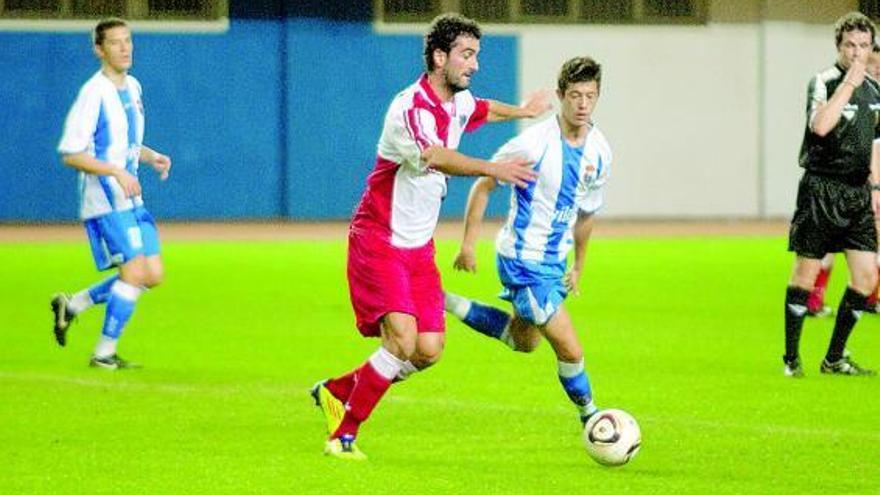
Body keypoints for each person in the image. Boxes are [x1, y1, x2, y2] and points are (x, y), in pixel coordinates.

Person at [309, 13, 550, 460]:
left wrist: (522, 111)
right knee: (400, 340)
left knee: (428, 349)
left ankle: (338, 389)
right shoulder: (411, 108)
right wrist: (493, 168)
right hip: (380, 238)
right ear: (440, 57)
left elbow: (483, 108)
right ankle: (343, 436)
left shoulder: (457, 100)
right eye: (466, 55)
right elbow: (436, 155)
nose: (474, 65)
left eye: (476, 55)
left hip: (418, 247)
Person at [444, 56, 610, 427]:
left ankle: (444, 301)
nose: (582, 104)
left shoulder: (600, 151)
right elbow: (484, 182)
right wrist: (468, 244)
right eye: (574, 95)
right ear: (560, 95)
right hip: (523, 260)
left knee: (524, 342)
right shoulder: (533, 145)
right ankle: (594, 420)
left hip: (554, 263)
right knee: (570, 348)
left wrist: (579, 266)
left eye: (590, 96)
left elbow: (586, 215)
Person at [52, 17, 171, 370]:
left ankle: (72, 305)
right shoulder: (93, 93)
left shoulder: (133, 87)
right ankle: (103, 353)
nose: (124, 48)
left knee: (152, 274)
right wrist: (116, 171)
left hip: (132, 197)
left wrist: (150, 157)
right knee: (134, 272)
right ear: (99, 50)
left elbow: (125, 144)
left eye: (128, 40)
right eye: (115, 43)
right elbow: (72, 153)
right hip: (105, 200)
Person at [782, 12, 879, 378]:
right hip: (821, 189)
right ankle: (792, 358)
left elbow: (873, 143)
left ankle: (834, 358)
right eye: (850, 46)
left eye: (864, 46)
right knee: (805, 277)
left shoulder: (875, 91)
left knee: (866, 280)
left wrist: (876, 186)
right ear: (838, 47)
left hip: (857, 194)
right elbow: (821, 125)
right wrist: (849, 85)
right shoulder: (823, 82)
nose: (857, 53)